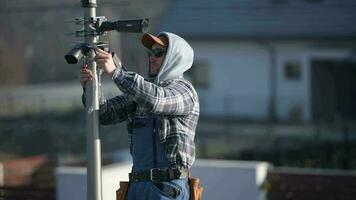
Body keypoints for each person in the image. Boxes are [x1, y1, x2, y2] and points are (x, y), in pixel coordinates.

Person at [79, 32, 200, 200]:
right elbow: (105, 114)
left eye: (158, 53)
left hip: (168, 187)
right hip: (137, 187)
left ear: (175, 57)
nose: (152, 57)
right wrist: (91, 86)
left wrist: (116, 72)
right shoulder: (141, 91)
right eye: (150, 53)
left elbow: (156, 99)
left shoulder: (185, 91)